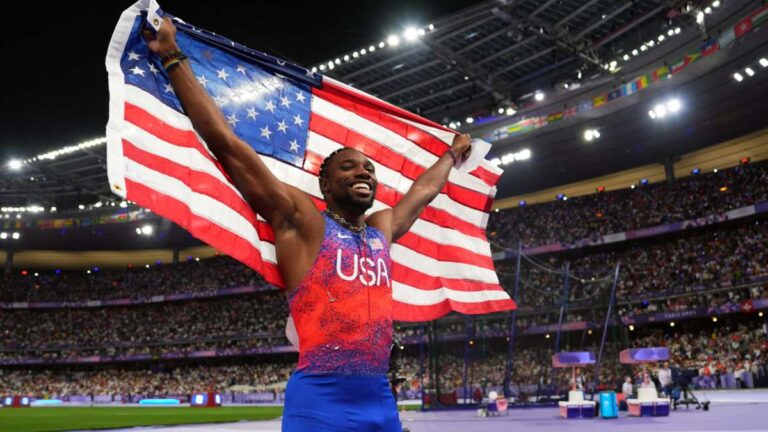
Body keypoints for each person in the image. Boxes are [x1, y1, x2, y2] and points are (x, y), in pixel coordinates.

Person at [142, 18, 472, 432]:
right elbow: (228, 145)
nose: (363, 173)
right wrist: (172, 56)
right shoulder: (302, 222)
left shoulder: (380, 230)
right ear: (326, 183)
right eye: (348, 167)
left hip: (380, 397)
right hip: (320, 398)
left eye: (369, 169)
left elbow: (422, 192)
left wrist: (452, 156)